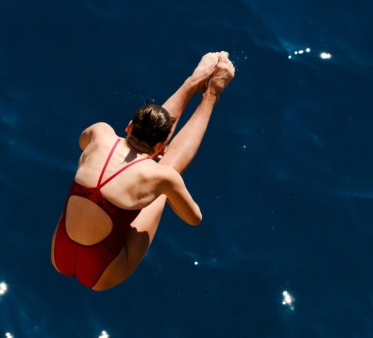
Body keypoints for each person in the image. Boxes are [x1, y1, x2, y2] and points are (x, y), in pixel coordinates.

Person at [51, 51, 235, 291]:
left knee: (140, 183)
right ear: (162, 146)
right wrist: (165, 182)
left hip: (58, 253)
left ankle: (191, 83)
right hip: (101, 273)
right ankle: (210, 94)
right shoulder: (160, 176)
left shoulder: (99, 132)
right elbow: (194, 219)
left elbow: (82, 143)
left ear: (129, 125)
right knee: (165, 176)